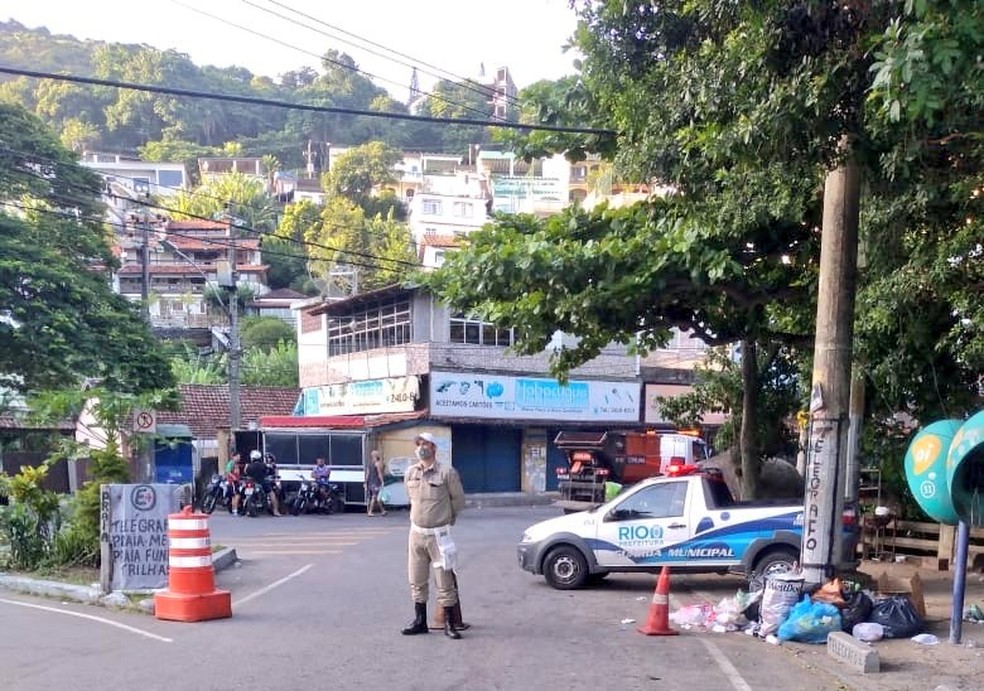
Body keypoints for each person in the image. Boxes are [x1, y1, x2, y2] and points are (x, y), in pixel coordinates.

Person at [401, 432, 465, 640]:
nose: (421, 448)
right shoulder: (411, 472)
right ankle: (420, 621)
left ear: (434, 448)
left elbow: (458, 500)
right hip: (416, 534)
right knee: (416, 578)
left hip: (439, 536)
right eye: (418, 444)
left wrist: (447, 519)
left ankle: (449, 623)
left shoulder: (447, 473)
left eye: (426, 444)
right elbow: (411, 498)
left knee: (444, 580)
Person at [244, 450, 282, 517]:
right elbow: (268, 472)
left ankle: (245, 510)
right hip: (262, 482)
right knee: (271, 494)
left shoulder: (249, 466)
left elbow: (246, 472)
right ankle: (275, 511)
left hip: (251, 482)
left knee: (245, 494)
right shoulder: (263, 465)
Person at [366, 450, 387, 517]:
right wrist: (382, 481)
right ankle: (370, 511)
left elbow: (367, 474)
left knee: (376, 497)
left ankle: (382, 511)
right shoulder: (377, 464)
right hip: (376, 483)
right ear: (377, 456)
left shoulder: (369, 464)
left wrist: (365, 482)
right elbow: (379, 473)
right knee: (375, 497)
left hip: (370, 483)